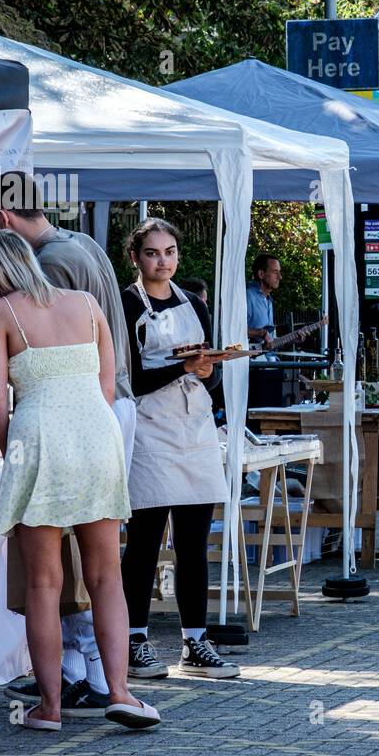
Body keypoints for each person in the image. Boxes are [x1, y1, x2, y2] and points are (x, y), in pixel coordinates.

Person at [0, 230, 158, 730]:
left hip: (38, 436)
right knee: (106, 577)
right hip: (97, 434)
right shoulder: (85, 302)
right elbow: (107, 380)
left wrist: (17, 446)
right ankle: (119, 692)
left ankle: (50, 708)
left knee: (44, 583)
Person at [120, 219, 241, 679]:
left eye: (169, 252)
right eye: (152, 253)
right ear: (135, 258)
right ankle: (134, 640)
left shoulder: (194, 304)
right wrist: (184, 368)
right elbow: (129, 379)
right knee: (145, 543)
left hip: (194, 429)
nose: (163, 261)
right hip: (150, 429)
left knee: (194, 542)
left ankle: (195, 642)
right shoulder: (127, 304)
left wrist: (210, 370)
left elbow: (208, 372)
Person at [247, 253, 286, 408]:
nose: (279, 277)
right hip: (252, 364)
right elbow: (234, 329)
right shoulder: (248, 295)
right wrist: (261, 333)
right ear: (261, 274)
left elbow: (270, 341)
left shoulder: (269, 300)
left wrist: (291, 339)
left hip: (267, 362)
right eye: (275, 272)